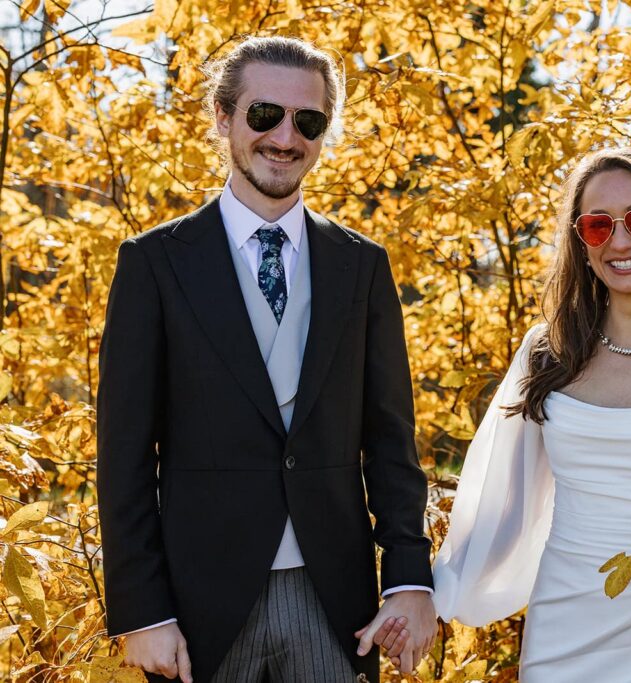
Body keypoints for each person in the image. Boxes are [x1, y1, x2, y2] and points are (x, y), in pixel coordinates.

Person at [377, 147, 631, 681]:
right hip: (562, 631)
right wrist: (426, 597)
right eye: (598, 226)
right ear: (580, 240)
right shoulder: (548, 352)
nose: (621, 241)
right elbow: (502, 508)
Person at [96, 36, 436, 683]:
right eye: (264, 115)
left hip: (335, 603)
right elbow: (124, 457)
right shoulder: (154, 263)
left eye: (307, 121)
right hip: (201, 612)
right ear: (223, 118)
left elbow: (393, 443)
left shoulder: (362, 266)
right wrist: (141, 612)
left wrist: (409, 578)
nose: (285, 136)